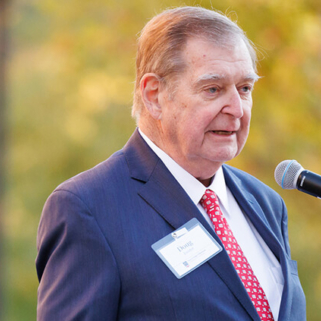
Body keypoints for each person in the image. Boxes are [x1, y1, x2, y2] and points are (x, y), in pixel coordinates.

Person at [35, 6, 306, 320]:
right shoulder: (88, 209)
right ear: (154, 95)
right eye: (213, 89)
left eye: (245, 88)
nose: (236, 108)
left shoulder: (266, 203)